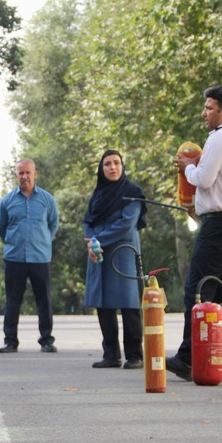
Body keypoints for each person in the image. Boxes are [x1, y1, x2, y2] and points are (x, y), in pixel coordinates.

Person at [167, 85, 222, 382]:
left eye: (209, 108)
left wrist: (187, 168)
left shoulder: (220, 138)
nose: (204, 113)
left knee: (197, 289)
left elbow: (204, 179)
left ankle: (187, 356)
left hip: (220, 225)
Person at [82, 150, 147, 369]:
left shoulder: (132, 192)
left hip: (123, 253)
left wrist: (98, 240)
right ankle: (111, 354)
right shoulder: (98, 194)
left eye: (117, 163)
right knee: (104, 304)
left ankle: (135, 355)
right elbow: (88, 221)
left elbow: (126, 224)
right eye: (107, 164)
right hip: (99, 253)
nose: (112, 167)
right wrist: (92, 241)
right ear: (101, 169)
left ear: (122, 165)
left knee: (129, 305)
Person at [0, 159, 59, 354]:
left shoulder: (47, 200)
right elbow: (1, 228)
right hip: (14, 258)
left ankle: (47, 340)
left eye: (27, 173)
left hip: (40, 258)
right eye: (20, 173)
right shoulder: (7, 201)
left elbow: (53, 225)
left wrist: (43, 242)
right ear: (16, 175)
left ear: (35, 174)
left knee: (44, 301)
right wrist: (13, 241)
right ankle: (10, 341)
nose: (24, 176)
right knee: (12, 301)